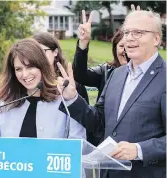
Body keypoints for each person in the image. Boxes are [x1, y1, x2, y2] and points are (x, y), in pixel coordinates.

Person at [57, 9, 166, 178]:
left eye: (138, 32)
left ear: (156, 39)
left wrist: (139, 150)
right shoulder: (117, 74)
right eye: (127, 32)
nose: (129, 38)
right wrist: (72, 99)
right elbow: (99, 123)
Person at [0, 38, 86, 140]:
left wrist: (72, 101)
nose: (25, 74)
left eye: (30, 67)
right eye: (18, 69)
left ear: (41, 65)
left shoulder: (63, 98)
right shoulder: (7, 101)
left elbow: (78, 145)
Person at [73, 10, 129, 102]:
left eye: (130, 45)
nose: (125, 51)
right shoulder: (106, 71)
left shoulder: (145, 74)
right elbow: (80, 75)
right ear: (115, 49)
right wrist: (83, 43)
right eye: (122, 46)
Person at [33, 31, 89, 104]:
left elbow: (85, 113)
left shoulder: (71, 83)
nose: (38, 56)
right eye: (34, 52)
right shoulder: (28, 81)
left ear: (55, 52)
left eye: (43, 51)